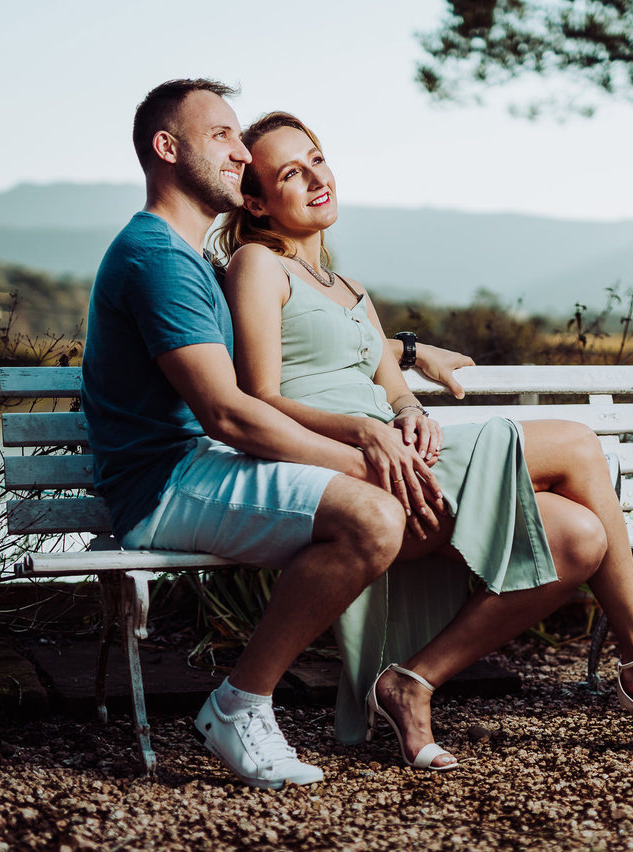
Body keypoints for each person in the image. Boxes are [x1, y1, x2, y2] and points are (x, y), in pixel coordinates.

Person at [211, 111, 633, 773]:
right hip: (351, 477)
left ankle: (412, 681)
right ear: (259, 201)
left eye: (316, 158)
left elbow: (390, 385)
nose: (315, 177)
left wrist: (409, 408)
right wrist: (370, 430)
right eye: (290, 173)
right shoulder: (256, 265)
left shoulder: (351, 290)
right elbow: (259, 395)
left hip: (402, 456)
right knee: (579, 444)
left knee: (579, 537)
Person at [80, 79, 473, 790]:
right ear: (166, 149)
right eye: (222, 135)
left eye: (238, 136)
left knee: (382, 510)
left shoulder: (187, 257)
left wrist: (409, 355)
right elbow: (228, 413)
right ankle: (240, 703)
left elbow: (287, 336)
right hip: (163, 486)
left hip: (198, 468)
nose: (240, 151)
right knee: (372, 516)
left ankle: (379, 677)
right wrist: (363, 457)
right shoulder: (158, 259)